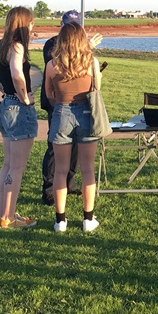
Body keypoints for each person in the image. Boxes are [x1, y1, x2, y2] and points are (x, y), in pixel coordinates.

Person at [43, 21, 103, 232]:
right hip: (87, 113)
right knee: (87, 169)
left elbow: (49, 94)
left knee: (60, 170)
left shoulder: (51, 65)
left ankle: (60, 220)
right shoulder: (91, 63)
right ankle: (88, 218)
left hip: (62, 113)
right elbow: (97, 87)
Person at [0, 6, 38, 229]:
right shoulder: (17, 46)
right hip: (18, 108)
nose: (33, 27)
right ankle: (9, 217)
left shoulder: (0, 46)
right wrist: (24, 97)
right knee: (17, 167)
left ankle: (3, 215)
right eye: (32, 23)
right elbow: (17, 74)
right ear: (25, 24)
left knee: (7, 164)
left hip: (6, 105)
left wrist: (2, 87)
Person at [40, 10, 86, 205]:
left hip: (78, 103)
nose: (72, 28)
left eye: (76, 25)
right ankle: (49, 189)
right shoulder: (52, 44)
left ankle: (70, 183)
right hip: (57, 103)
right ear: (62, 24)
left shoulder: (82, 48)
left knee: (75, 146)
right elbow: (55, 67)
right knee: (55, 147)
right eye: (69, 24)